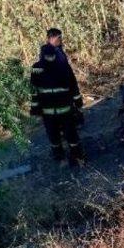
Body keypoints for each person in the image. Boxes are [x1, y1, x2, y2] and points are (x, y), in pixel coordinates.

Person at [30, 28, 84, 166]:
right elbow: (34, 90)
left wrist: (77, 101)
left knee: (69, 134)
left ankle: (75, 156)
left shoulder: (62, 66)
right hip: (51, 111)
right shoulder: (37, 69)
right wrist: (35, 109)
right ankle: (61, 157)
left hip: (63, 109)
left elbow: (72, 84)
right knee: (55, 137)